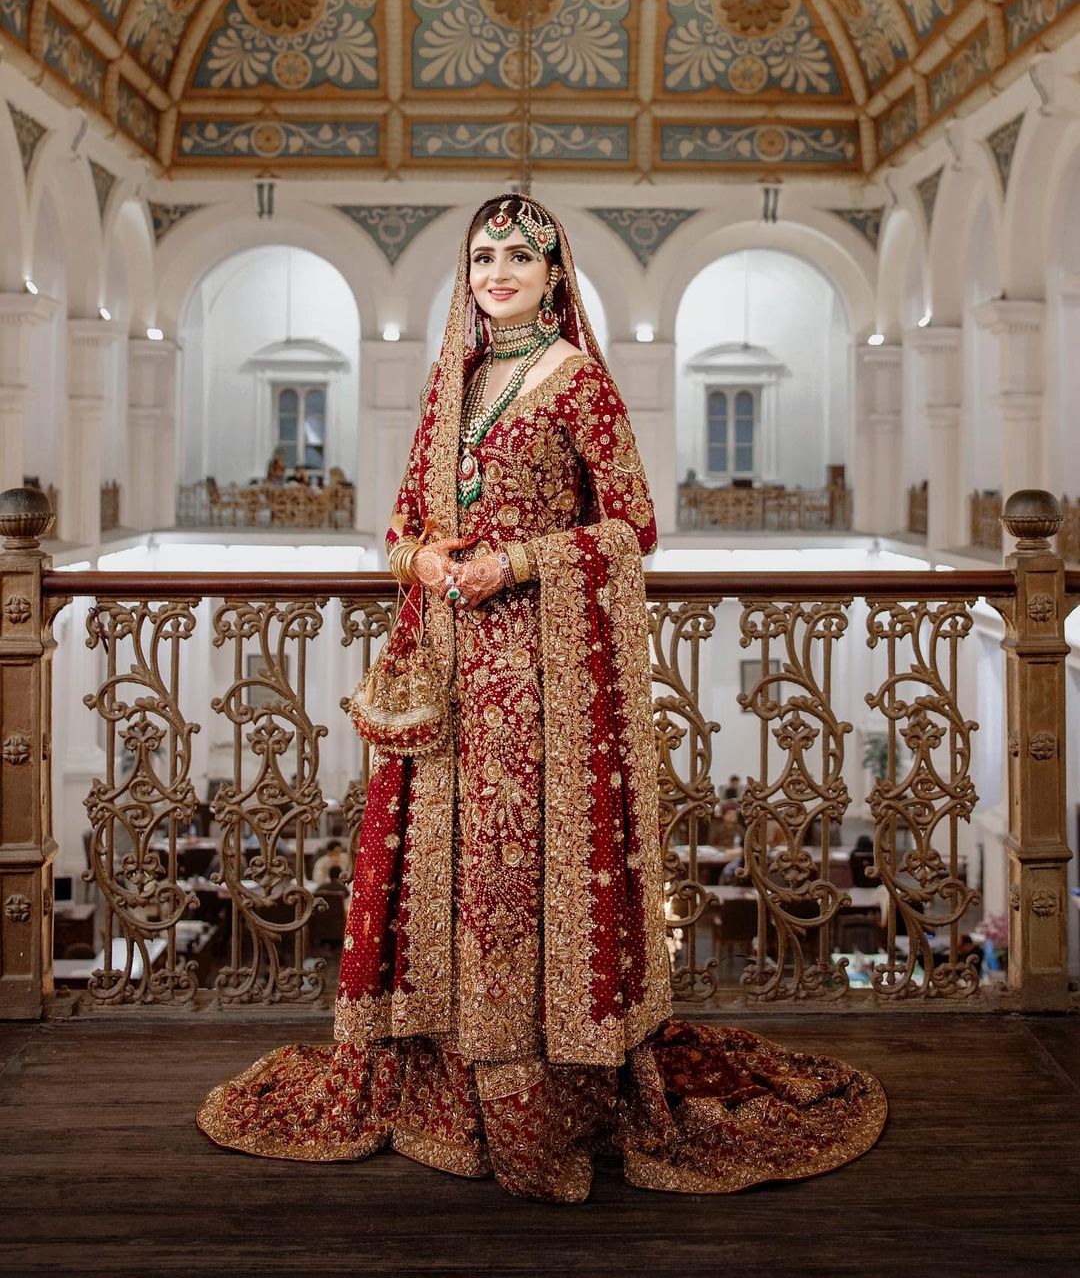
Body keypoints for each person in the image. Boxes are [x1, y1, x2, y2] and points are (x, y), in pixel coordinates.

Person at [196, 193, 886, 1201]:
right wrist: (425, 556)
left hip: (542, 689)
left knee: (518, 883)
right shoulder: (455, 382)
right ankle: (441, 1080)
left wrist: (513, 561)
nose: (499, 271)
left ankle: (539, 1093)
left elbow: (634, 528)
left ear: (558, 273)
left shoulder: (579, 383)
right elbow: (397, 524)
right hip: (447, 678)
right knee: (447, 875)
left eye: (520, 255)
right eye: (483, 256)